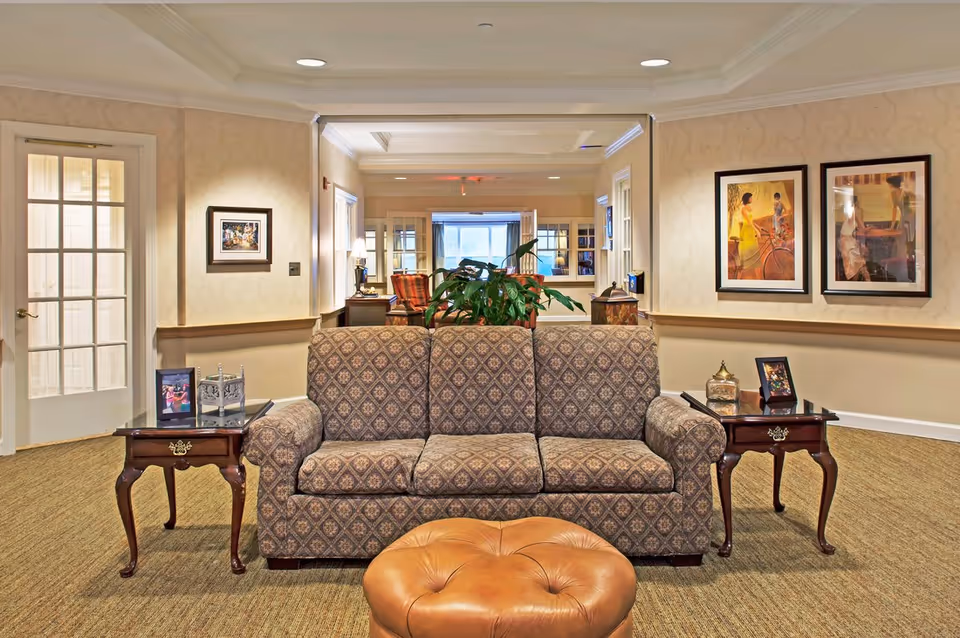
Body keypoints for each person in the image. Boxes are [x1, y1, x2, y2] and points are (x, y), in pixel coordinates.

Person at [729, 192, 761, 275]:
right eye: (750, 197)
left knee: (754, 249)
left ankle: (754, 267)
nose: (751, 199)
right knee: (746, 249)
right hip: (746, 231)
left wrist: (758, 227)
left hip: (751, 230)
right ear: (747, 199)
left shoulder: (750, 208)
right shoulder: (743, 209)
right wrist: (756, 230)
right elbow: (748, 221)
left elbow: (751, 220)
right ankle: (742, 270)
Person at [839, 195, 870, 281]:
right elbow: (861, 228)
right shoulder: (853, 212)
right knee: (857, 266)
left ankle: (867, 282)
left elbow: (860, 228)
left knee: (859, 266)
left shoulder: (851, 213)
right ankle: (867, 282)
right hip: (849, 243)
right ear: (855, 203)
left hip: (850, 242)